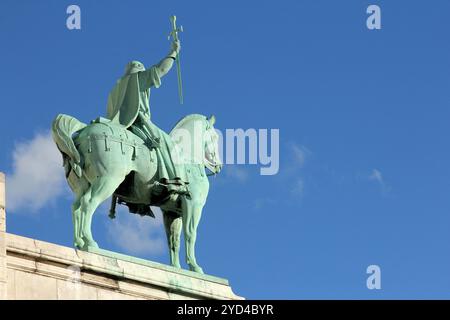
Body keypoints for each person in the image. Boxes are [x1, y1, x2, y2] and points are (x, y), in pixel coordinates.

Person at [106, 40, 187, 195]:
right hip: (138, 122)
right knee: (166, 142)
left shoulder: (115, 89)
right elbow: (161, 69)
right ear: (138, 71)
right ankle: (170, 181)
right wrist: (174, 53)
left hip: (117, 126)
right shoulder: (136, 79)